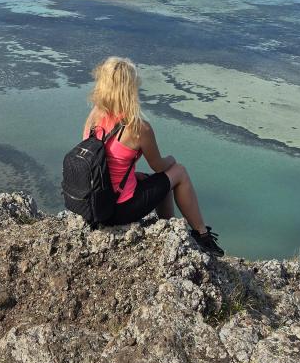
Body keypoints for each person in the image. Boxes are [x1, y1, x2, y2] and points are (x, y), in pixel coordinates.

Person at [82, 56, 223, 256]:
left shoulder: (94, 117)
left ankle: (169, 228)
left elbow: (102, 161)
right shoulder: (138, 128)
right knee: (178, 173)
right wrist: (172, 159)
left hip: (95, 204)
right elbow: (159, 166)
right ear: (130, 88)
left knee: (158, 182)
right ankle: (202, 235)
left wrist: (131, 176)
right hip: (118, 209)